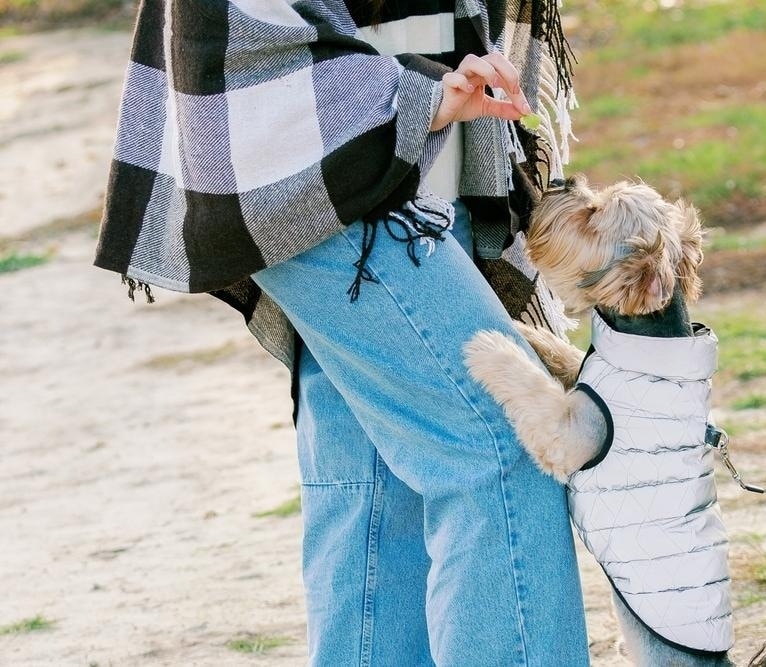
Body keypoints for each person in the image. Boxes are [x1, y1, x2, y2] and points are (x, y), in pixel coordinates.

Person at [93, 0, 588, 665]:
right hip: (324, 148)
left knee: (377, 491)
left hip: (406, 139)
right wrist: (408, 101)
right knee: (506, 436)